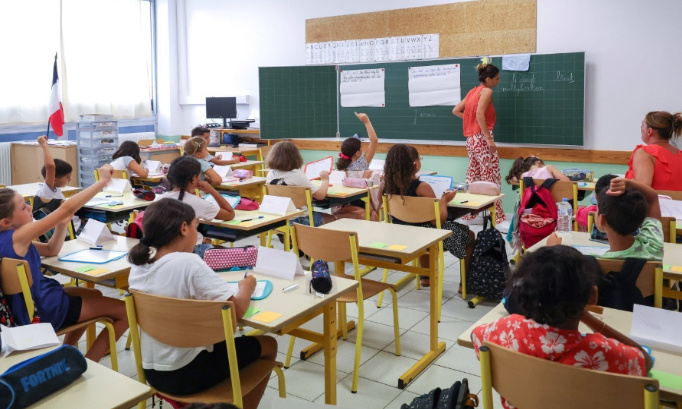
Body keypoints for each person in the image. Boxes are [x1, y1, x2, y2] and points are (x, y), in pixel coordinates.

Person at [127, 199, 277, 409]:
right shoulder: (188, 262)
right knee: (269, 344)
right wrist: (247, 287)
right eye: (196, 226)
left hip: (150, 370)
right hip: (185, 372)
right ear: (184, 227)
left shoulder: (138, 263)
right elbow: (237, 312)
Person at [472, 245, 651, 409]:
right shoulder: (604, 352)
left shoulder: (506, 329)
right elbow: (645, 362)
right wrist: (590, 319)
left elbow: (475, 335)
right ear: (592, 297)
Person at [0, 164, 128, 362]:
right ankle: (86, 364)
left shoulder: (9, 239)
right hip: (43, 310)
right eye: (23, 206)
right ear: (6, 222)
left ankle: (65, 354)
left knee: (93, 293)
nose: (29, 207)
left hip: (26, 308)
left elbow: (51, 250)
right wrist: (102, 181)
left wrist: (61, 226)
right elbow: (68, 206)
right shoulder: (18, 237)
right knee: (126, 312)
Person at [383, 144, 475, 287]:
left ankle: (425, 277)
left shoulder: (386, 185)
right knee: (469, 235)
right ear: (414, 164)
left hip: (400, 234)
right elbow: (438, 220)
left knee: (420, 227)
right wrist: (444, 200)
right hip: (427, 237)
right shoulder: (422, 187)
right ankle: (465, 283)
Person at [549, 177, 663, 260]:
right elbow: (653, 198)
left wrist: (552, 249)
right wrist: (628, 183)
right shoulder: (653, 245)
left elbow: (556, 268)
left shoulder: (591, 262)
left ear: (602, 219)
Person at [452, 62, 505, 224]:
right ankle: (495, 215)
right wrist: (488, 138)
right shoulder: (486, 91)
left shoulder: (472, 92)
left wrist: (472, 121)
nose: (498, 81)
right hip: (482, 138)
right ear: (488, 79)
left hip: (471, 139)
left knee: (473, 174)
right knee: (490, 176)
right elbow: (480, 114)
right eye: (496, 78)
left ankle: (470, 213)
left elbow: (456, 110)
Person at [160, 156, 235, 257]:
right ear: (194, 178)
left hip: (166, 251)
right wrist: (211, 190)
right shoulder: (195, 202)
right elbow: (230, 214)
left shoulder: (160, 199)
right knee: (235, 255)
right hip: (193, 251)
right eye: (199, 176)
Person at [265, 141, 333, 226]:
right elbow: (320, 196)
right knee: (334, 219)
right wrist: (325, 180)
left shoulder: (270, 174)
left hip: (278, 220)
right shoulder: (298, 176)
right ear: (295, 157)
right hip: (300, 219)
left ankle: (288, 236)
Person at [625, 111, 682, 190]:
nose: (641, 128)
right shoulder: (679, 154)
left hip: (655, 202)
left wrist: (624, 182)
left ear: (649, 131)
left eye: (642, 125)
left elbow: (642, 187)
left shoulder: (645, 152)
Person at [336, 112, 379, 177]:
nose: (362, 148)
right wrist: (366, 121)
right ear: (357, 153)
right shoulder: (361, 164)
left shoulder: (341, 167)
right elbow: (374, 141)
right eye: (361, 147)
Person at [35, 135, 73, 201]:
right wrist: (44, 144)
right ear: (54, 179)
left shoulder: (55, 191)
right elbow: (50, 166)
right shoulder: (47, 191)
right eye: (67, 177)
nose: (70, 179)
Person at [505, 156, 569, 184]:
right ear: (538, 162)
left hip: (531, 206)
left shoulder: (523, 176)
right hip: (550, 203)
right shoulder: (548, 168)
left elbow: (513, 178)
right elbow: (567, 181)